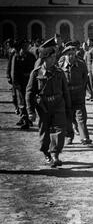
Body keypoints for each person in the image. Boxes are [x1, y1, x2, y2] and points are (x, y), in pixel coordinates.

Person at [26, 38, 71, 168]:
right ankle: (47, 154)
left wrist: (68, 108)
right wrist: (30, 111)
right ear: (45, 58)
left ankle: (55, 154)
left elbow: (65, 92)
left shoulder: (59, 72)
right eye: (51, 57)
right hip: (43, 107)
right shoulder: (36, 74)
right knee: (44, 131)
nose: (54, 59)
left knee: (60, 130)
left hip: (58, 104)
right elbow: (29, 93)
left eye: (55, 57)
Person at [59, 45, 91, 145]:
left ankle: (84, 137)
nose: (71, 57)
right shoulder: (60, 66)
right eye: (69, 55)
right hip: (66, 96)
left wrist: (82, 90)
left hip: (79, 95)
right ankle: (69, 136)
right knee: (68, 117)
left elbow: (85, 78)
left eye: (73, 54)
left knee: (81, 117)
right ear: (65, 56)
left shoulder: (81, 64)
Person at [9, 39, 36, 129]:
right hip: (20, 84)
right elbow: (13, 71)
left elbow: (35, 69)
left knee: (29, 101)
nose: (25, 49)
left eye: (26, 47)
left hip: (29, 82)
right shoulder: (16, 57)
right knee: (21, 102)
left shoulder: (31, 56)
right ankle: (25, 120)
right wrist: (15, 83)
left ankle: (28, 119)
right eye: (24, 47)